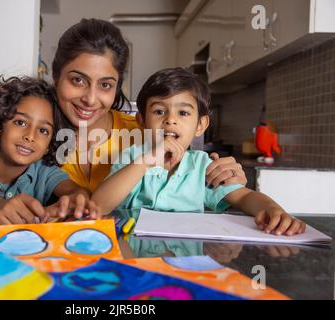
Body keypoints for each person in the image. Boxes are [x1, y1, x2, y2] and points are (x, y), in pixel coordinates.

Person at [92, 68, 306, 236]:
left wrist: (273, 209)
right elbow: (99, 206)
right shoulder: (133, 157)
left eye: (183, 112)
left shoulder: (203, 166)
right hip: (135, 251)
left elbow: (244, 197)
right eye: (159, 111)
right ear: (142, 122)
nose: (170, 119)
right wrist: (145, 162)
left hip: (186, 257)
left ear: (200, 125)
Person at [53, 18, 247, 194]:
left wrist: (223, 175)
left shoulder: (144, 132)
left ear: (117, 87)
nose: (91, 99)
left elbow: (187, 177)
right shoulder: (33, 132)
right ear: (56, 77)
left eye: (105, 85)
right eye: (78, 80)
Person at [0, 76, 99, 225]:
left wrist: (78, 200)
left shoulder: (46, 173)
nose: (30, 136)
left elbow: (73, 190)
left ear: (49, 145)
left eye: (43, 131)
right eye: (20, 122)